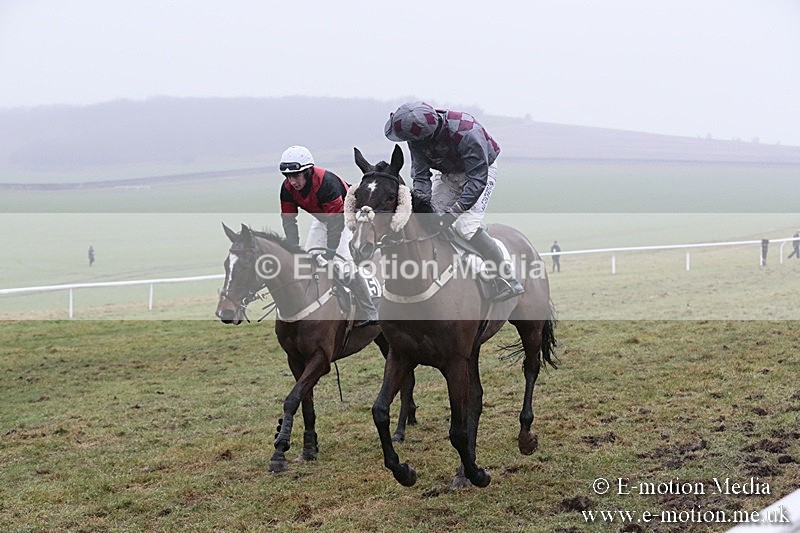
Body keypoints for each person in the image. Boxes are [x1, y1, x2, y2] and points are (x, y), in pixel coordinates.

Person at [384, 101, 524, 301]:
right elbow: (421, 175)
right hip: (448, 174)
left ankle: (507, 278)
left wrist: (452, 213)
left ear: (427, 134)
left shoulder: (467, 134)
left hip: (479, 173)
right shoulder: (417, 136)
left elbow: (477, 181)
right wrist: (423, 205)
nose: (409, 142)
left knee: (465, 226)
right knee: (428, 221)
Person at [278, 145, 378, 327]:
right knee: (308, 263)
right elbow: (289, 221)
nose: (292, 181)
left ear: (308, 171)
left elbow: (336, 223)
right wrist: (292, 249)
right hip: (324, 219)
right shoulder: (286, 188)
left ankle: (371, 310)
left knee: (344, 266)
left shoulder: (326, 183)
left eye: (296, 175)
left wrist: (330, 252)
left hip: (347, 217)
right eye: (288, 176)